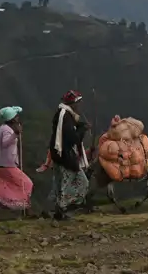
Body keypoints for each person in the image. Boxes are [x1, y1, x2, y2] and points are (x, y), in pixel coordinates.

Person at [48, 90, 90, 220]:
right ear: (73, 104)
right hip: (65, 156)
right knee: (80, 182)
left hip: (59, 154)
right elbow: (72, 139)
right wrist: (83, 129)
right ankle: (63, 208)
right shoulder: (66, 117)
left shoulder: (65, 115)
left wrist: (81, 125)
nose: (80, 105)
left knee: (61, 183)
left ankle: (57, 210)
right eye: (79, 102)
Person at [0, 106, 34, 220]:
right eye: (16, 116)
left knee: (0, 188)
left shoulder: (4, 128)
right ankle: (26, 209)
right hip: (7, 165)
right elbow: (5, 143)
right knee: (26, 183)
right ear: (12, 118)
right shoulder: (6, 130)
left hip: (1, 164)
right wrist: (15, 134)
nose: (18, 117)